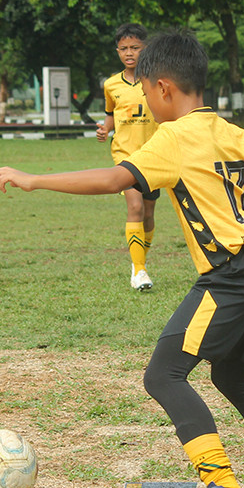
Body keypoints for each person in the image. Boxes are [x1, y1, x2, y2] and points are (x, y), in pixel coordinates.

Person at [0, 31, 244, 488]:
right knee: (230, 374)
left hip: (230, 276)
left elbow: (115, 180)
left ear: (161, 89)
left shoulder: (173, 137)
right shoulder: (233, 132)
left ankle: (222, 487)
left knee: (163, 374)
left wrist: (35, 179)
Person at [96, 23, 159, 291]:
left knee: (148, 213)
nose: (129, 53)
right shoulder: (111, 84)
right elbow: (111, 115)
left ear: (145, 49)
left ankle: (139, 263)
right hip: (126, 156)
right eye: (123, 49)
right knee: (134, 208)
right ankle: (140, 270)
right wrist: (104, 129)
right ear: (117, 52)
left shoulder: (158, 80)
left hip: (155, 154)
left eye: (135, 48)